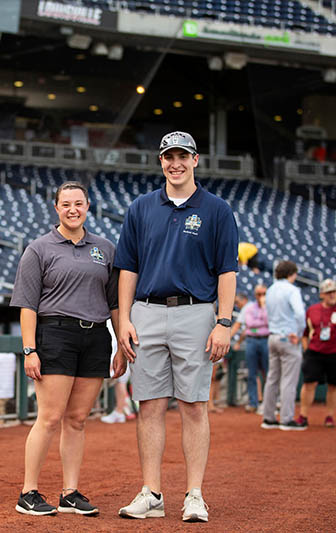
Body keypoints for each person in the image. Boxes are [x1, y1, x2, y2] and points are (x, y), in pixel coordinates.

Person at [114, 131, 238, 522]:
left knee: (194, 405)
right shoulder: (141, 207)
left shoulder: (217, 209)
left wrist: (224, 322)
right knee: (148, 405)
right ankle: (151, 493)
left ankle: (195, 494)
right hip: (147, 310)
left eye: (183, 156)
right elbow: (127, 268)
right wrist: (124, 320)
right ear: (161, 161)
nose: (175, 163)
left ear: (196, 160)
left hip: (196, 312)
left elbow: (228, 271)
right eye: (169, 156)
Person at [10, 181, 121, 517]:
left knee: (77, 419)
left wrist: (119, 345)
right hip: (55, 334)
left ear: (88, 206)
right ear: (56, 208)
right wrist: (30, 350)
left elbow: (114, 303)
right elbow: (27, 305)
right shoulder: (39, 248)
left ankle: (69, 492)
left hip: (96, 336)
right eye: (66, 204)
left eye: (79, 203)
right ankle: (28, 492)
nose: (73, 210)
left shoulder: (104, 248)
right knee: (50, 417)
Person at [298, 279, 336, 429]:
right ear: (322, 294)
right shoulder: (312, 310)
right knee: (309, 383)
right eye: (329, 292)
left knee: (334, 385)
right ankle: (303, 415)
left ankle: (330, 416)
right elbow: (304, 332)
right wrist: (306, 348)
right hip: (315, 351)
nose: (332, 295)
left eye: (334, 292)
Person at [260, 260, 306, 431]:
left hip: (272, 336)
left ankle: (268, 416)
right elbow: (300, 314)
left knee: (272, 378)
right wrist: (299, 333)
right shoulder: (292, 290)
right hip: (288, 336)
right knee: (288, 380)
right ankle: (286, 419)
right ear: (291, 274)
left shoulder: (270, 290)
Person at [233, 286, 270, 413]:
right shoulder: (249, 308)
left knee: (268, 373)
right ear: (255, 295)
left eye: (264, 293)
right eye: (259, 294)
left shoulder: (269, 307)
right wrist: (261, 324)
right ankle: (253, 402)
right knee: (252, 373)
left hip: (266, 339)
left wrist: (264, 309)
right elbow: (250, 324)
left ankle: (269, 402)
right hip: (252, 341)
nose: (261, 296)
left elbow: (268, 321)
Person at [101, 321, 134, 424]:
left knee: (121, 382)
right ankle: (120, 411)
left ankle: (120, 411)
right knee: (120, 382)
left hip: (120, 355)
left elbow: (115, 341)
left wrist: (111, 360)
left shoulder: (114, 321)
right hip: (123, 352)